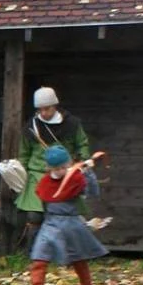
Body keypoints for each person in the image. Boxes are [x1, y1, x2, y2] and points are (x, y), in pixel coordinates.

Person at [14, 145, 108, 285]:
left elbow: (93, 193)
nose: (62, 170)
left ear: (69, 163)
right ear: (50, 167)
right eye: (57, 168)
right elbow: (43, 199)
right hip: (50, 224)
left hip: (70, 224)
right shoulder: (45, 181)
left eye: (64, 167)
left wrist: (89, 174)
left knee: (78, 258)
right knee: (39, 257)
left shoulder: (76, 178)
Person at [13, 88, 90, 249]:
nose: (44, 112)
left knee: (67, 214)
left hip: (65, 175)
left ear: (54, 105)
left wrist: (81, 164)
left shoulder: (72, 124)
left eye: (47, 108)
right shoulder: (31, 127)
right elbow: (25, 153)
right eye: (40, 109)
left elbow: (82, 144)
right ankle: (35, 254)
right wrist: (22, 172)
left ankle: (69, 253)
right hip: (37, 174)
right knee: (35, 216)